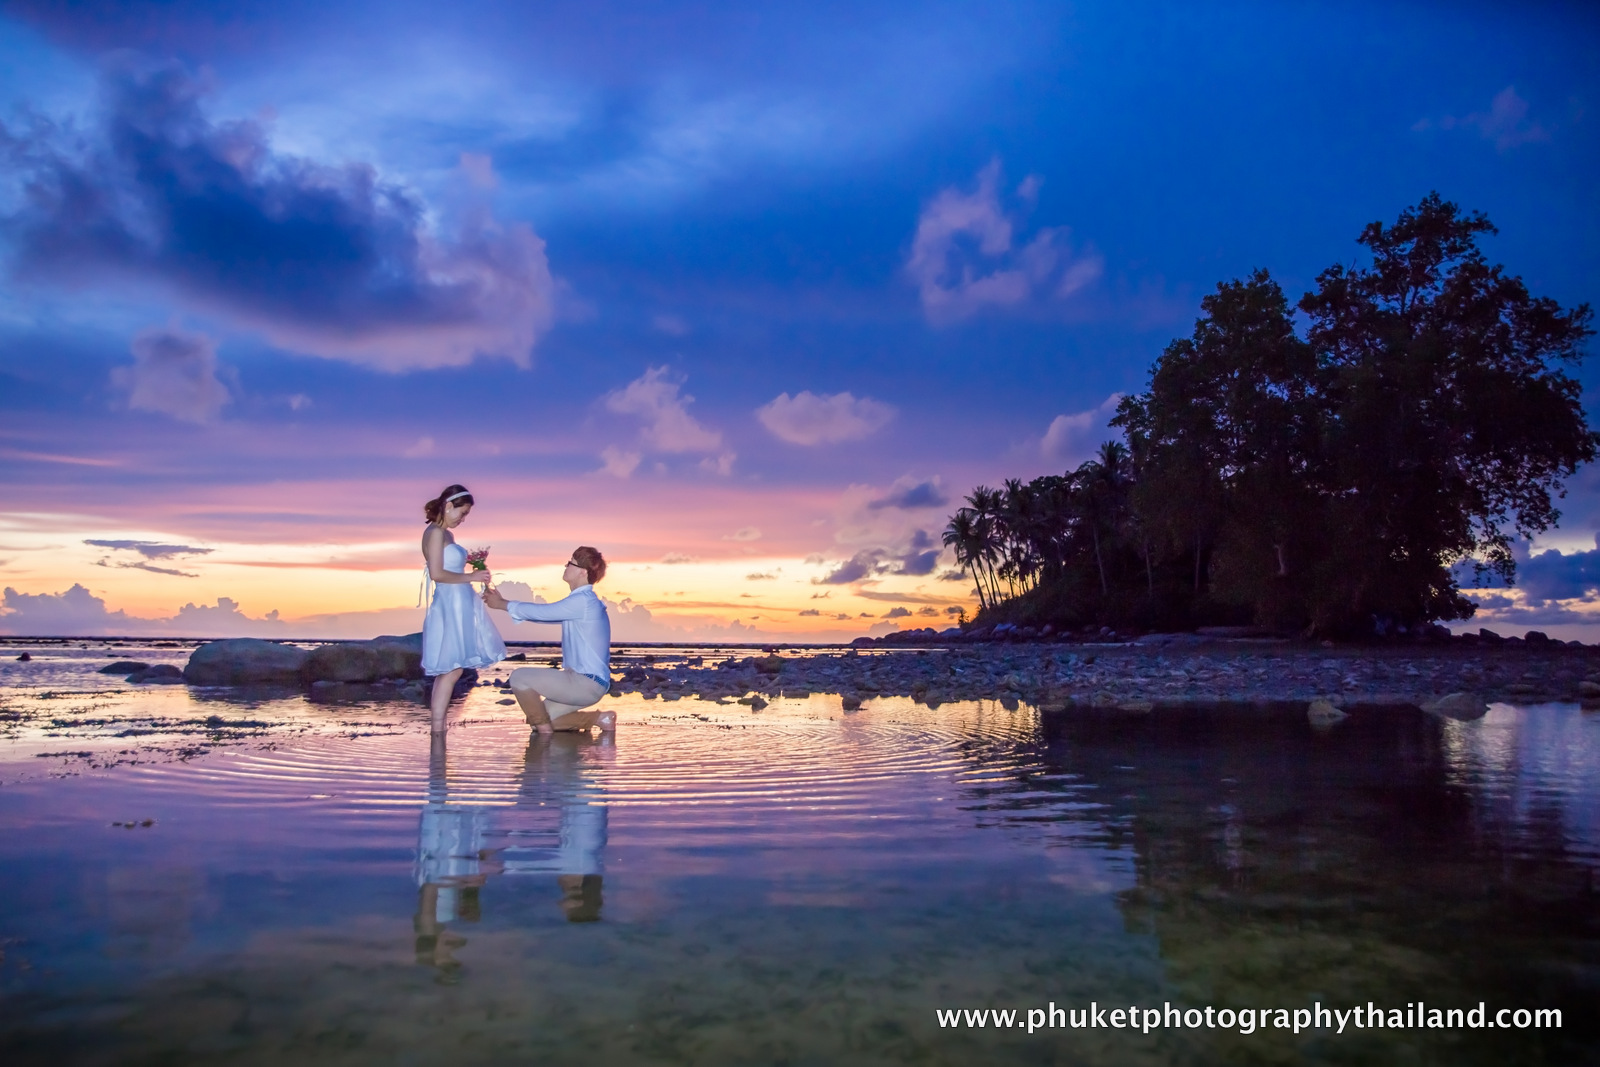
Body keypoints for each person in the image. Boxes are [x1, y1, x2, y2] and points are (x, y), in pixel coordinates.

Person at [482, 546, 614, 734]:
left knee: (519, 677)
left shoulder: (583, 601)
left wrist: (503, 605)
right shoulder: (580, 602)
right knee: (539, 720)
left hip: (585, 682)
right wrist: (505, 604)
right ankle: (601, 719)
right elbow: (542, 616)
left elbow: (544, 612)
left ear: (582, 572)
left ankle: (544, 739)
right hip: (584, 682)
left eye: (570, 563)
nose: (565, 566)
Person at [420, 484, 505, 732]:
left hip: (458, 600)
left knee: (453, 668)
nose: (463, 519)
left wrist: (472, 573)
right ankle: (437, 728)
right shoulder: (435, 533)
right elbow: (437, 573)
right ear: (448, 506)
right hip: (450, 603)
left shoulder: (446, 534)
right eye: (462, 512)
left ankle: (438, 726)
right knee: (453, 667)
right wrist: (471, 578)